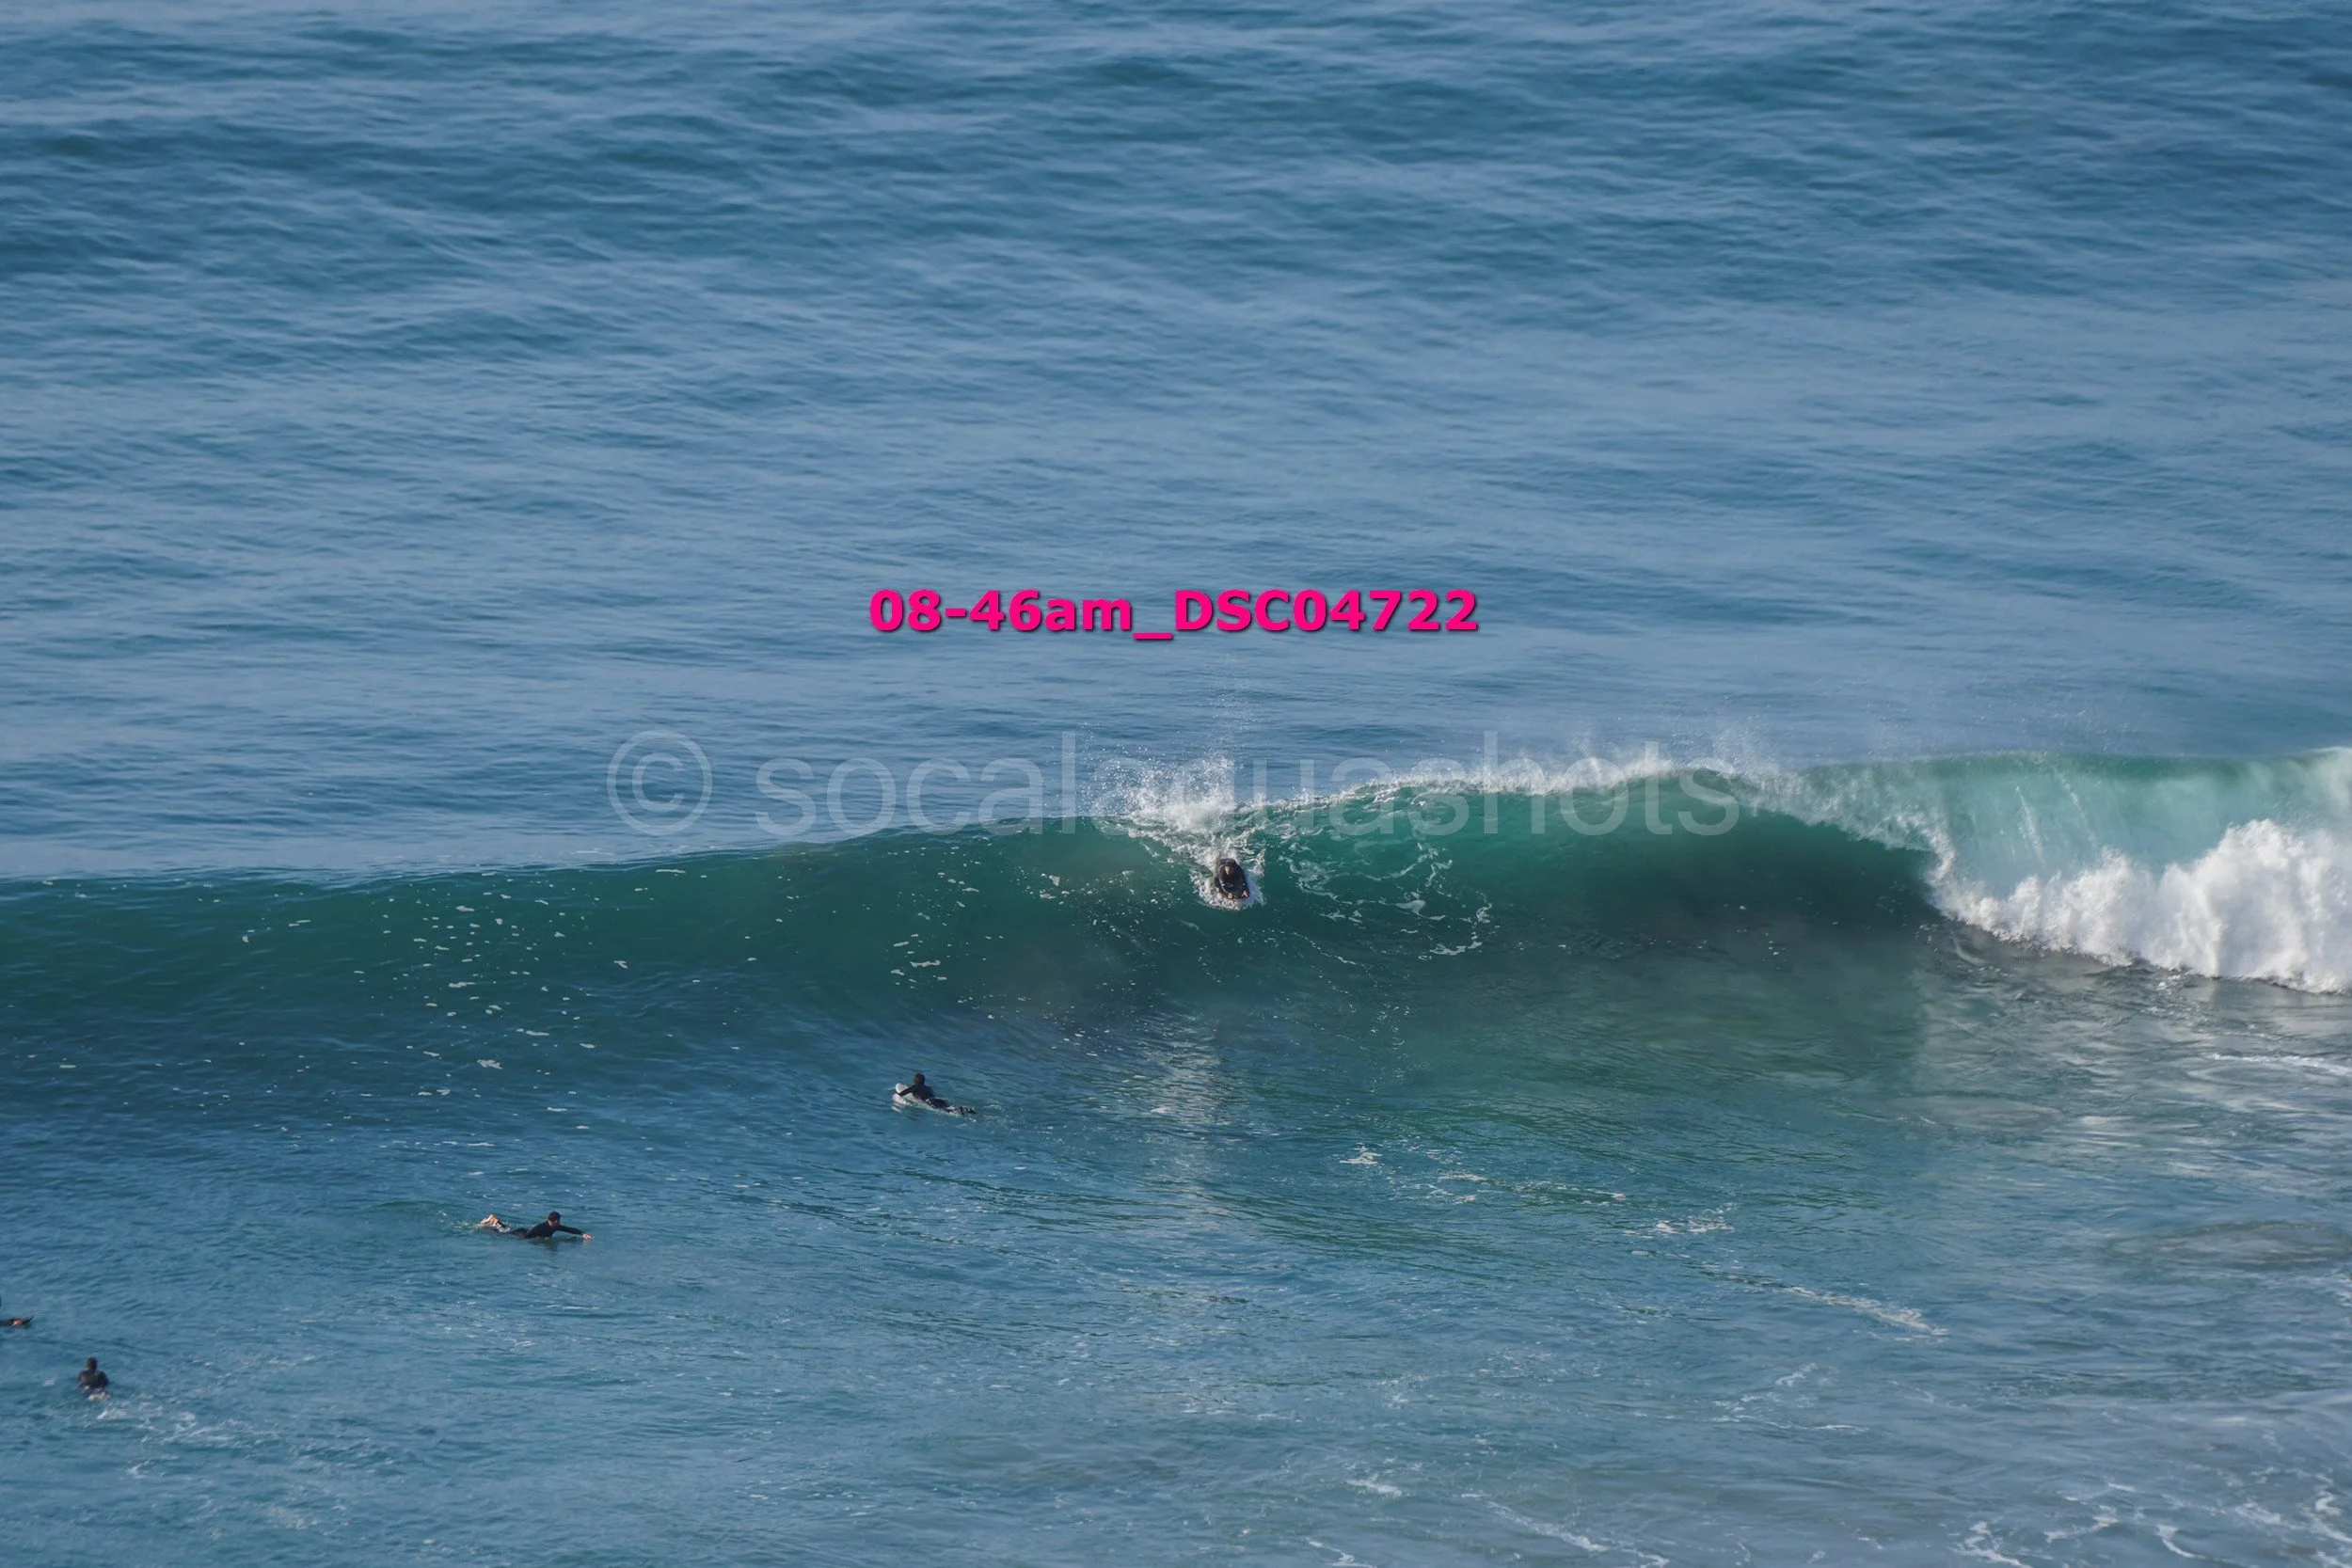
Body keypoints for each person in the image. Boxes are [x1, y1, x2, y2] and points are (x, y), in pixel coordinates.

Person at [478, 1210, 590, 1241]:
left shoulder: (556, 1226)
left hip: (524, 1231)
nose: (559, 1223)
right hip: (522, 1233)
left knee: (506, 1230)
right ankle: (487, 1225)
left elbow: (569, 1229)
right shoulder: (541, 1226)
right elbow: (528, 1236)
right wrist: (522, 1241)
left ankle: (495, 1220)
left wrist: (582, 1233)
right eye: (558, 1220)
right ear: (556, 1220)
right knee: (503, 1235)